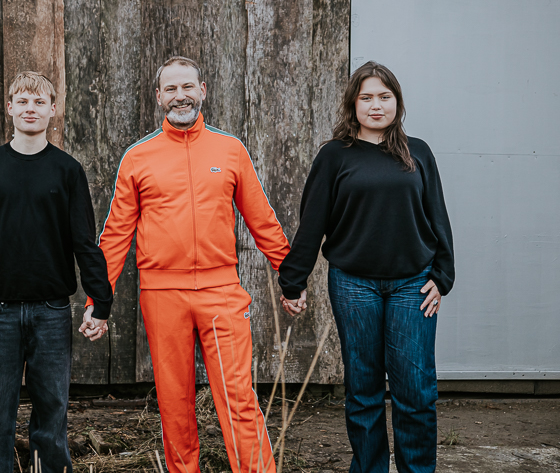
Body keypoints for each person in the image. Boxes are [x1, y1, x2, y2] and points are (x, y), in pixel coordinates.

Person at [92, 56, 291, 473]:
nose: (180, 96)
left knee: (238, 397)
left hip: (221, 292)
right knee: (174, 401)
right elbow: (115, 235)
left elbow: (262, 218)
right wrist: (99, 299)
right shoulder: (138, 157)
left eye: (188, 87)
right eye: (171, 89)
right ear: (159, 97)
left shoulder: (230, 149)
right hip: (162, 295)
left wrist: (290, 276)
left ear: (202, 91)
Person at [278, 61, 454, 473]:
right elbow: (313, 222)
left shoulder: (419, 152)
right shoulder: (335, 156)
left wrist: (442, 278)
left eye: (385, 97)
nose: (376, 106)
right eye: (367, 98)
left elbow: (438, 218)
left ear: (397, 102)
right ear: (353, 104)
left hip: (413, 285)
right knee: (363, 388)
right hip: (354, 284)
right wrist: (293, 282)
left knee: (416, 390)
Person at [0, 71, 114, 473]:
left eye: (39, 102)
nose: (30, 108)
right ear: (9, 108)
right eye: (22, 101)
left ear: (52, 110)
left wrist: (101, 302)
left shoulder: (67, 170)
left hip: (51, 312)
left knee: (52, 411)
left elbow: (84, 241)